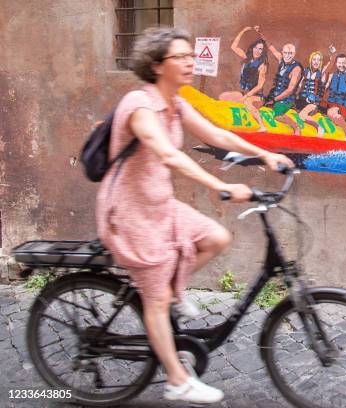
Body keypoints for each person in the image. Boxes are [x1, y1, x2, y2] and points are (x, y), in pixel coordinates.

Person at [95, 27, 293, 404]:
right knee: (154, 299)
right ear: (157, 66)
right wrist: (218, 187)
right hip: (129, 212)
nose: (189, 62)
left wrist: (264, 153)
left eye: (190, 56)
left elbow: (219, 135)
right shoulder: (139, 106)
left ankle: (172, 291)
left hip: (159, 205)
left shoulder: (177, 102)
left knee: (216, 238)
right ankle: (176, 379)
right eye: (180, 57)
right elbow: (170, 155)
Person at [219, 26, 269, 132]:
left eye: (260, 49)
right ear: (252, 48)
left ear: (263, 51)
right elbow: (233, 46)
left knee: (247, 102)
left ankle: (262, 126)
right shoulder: (247, 58)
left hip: (257, 97)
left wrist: (246, 96)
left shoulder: (262, 65)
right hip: (244, 92)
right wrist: (243, 31)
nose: (257, 51)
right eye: (256, 48)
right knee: (223, 96)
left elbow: (260, 85)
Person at [256, 27, 303, 135]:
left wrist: (275, 99)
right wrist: (260, 32)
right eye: (286, 53)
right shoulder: (281, 59)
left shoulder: (296, 69)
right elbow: (271, 46)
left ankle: (296, 127)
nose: (287, 56)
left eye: (290, 53)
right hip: (275, 94)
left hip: (287, 99)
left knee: (278, 115)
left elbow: (290, 90)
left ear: (294, 54)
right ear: (282, 52)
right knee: (259, 103)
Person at [294, 48, 335, 137]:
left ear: (321, 62)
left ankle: (319, 127)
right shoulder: (305, 71)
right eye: (314, 59)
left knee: (302, 115)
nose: (316, 62)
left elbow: (330, 65)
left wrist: (333, 54)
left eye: (318, 60)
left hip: (313, 104)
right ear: (311, 60)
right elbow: (299, 86)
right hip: (300, 102)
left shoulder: (322, 73)